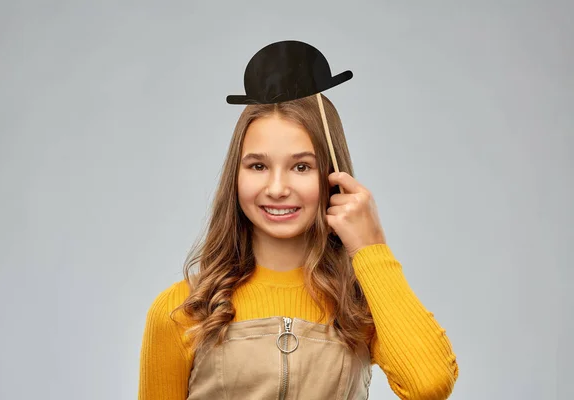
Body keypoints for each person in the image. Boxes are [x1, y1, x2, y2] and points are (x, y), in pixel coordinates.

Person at [138, 40, 458, 399]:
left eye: (301, 166)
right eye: (258, 166)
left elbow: (428, 384)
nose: (276, 188)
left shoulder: (358, 306)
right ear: (236, 176)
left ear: (332, 176)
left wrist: (371, 248)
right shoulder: (183, 308)